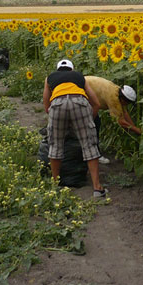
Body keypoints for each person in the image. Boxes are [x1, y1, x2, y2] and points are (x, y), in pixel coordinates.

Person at [43, 59, 108, 198]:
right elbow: (95, 103)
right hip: (79, 101)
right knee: (89, 145)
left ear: (57, 69)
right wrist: (87, 120)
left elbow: (46, 106)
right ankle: (97, 188)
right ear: (71, 70)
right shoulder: (80, 77)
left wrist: (61, 122)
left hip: (58, 104)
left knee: (55, 145)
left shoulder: (49, 78)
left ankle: (55, 185)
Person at [84, 76, 142, 164]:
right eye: (128, 103)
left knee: (93, 122)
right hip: (82, 92)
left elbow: (124, 113)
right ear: (123, 99)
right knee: (93, 125)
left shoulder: (117, 91)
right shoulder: (114, 98)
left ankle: (87, 151)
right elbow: (121, 122)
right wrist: (138, 131)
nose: (127, 105)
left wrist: (133, 127)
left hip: (84, 87)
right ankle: (94, 155)